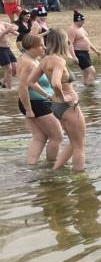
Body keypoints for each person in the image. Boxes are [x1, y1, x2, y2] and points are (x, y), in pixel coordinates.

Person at [27, 29, 86, 171]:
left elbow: (31, 81)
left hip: (56, 106)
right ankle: (80, 178)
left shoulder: (44, 61)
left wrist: (49, 96)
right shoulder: (59, 60)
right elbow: (55, 83)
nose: (68, 42)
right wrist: (63, 97)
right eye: (66, 40)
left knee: (73, 143)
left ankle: (55, 170)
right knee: (79, 146)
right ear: (61, 42)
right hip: (68, 106)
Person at [16, 33, 62, 164]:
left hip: (37, 102)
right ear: (31, 47)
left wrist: (47, 95)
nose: (44, 48)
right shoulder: (28, 63)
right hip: (35, 104)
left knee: (39, 137)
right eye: (41, 45)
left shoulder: (29, 59)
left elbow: (32, 82)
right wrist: (28, 110)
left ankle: (31, 166)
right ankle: (53, 166)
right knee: (57, 136)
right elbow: (22, 88)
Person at [66, 10, 101, 83]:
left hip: (85, 53)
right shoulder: (72, 29)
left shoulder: (81, 28)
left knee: (85, 72)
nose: (83, 22)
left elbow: (86, 40)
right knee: (92, 71)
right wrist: (74, 57)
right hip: (79, 53)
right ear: (77, 21)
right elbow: (70, 44)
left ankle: (84, 87)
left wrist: (95, 50)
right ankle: (90, 86)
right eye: (82, 21)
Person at [0, 16, 18, 88]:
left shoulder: (2, 23)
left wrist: (12, 29)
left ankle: (2, 83)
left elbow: (16, 27)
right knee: (8, 69)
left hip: (7, 48)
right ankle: (9, 88)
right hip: (1, 49)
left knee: (14, 68)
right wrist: (6, 31)